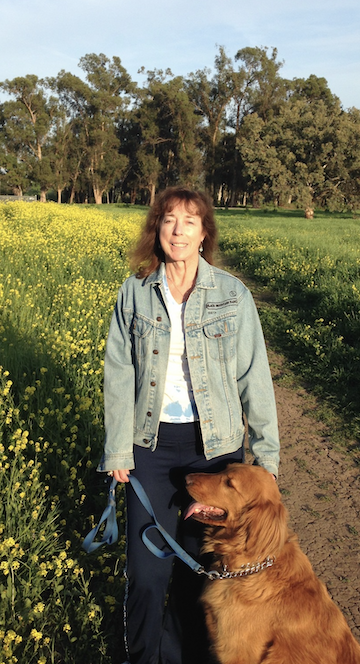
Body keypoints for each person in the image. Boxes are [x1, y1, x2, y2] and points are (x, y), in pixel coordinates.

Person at [97, 186, 280, 664]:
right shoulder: (134, 292)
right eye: (168, 220)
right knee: (147, 572)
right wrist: (118, 449)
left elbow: (253, 378)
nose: (178, 230)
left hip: (214, 452)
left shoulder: (232, 294)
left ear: (204, 234)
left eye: (189, 221)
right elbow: (119, 373)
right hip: (150, 448)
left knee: (199, 572)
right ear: (156, 230)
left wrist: (266, 458)